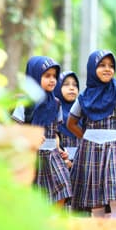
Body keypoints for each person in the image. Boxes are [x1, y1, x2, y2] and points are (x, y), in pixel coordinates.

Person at [67, 49, 116, 219]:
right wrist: (87, 137)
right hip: (91, 148)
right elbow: (71, 122)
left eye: (111, 66)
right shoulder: (84, 97)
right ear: (92, 68)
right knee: (95, 192)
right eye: (102, 65)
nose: (107, 69)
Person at [11, 56, 72, 207]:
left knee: (63, 186)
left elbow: (56, 132)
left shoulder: (56, 103)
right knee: (33, 193)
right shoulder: (24, 103)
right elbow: (15, 130)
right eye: (47, 76)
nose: (52, 80)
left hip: (52, 154)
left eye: (54, 76)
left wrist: (59, 149)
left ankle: (54, 221)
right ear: (35, 76)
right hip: (31, 155)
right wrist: (30, 137)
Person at [54, 71, 81, 169]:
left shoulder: (83, 112)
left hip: (82, 164)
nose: (71, 88)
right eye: (66, 84)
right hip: (61, 164)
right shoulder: (54, 111)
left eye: (75, 85)